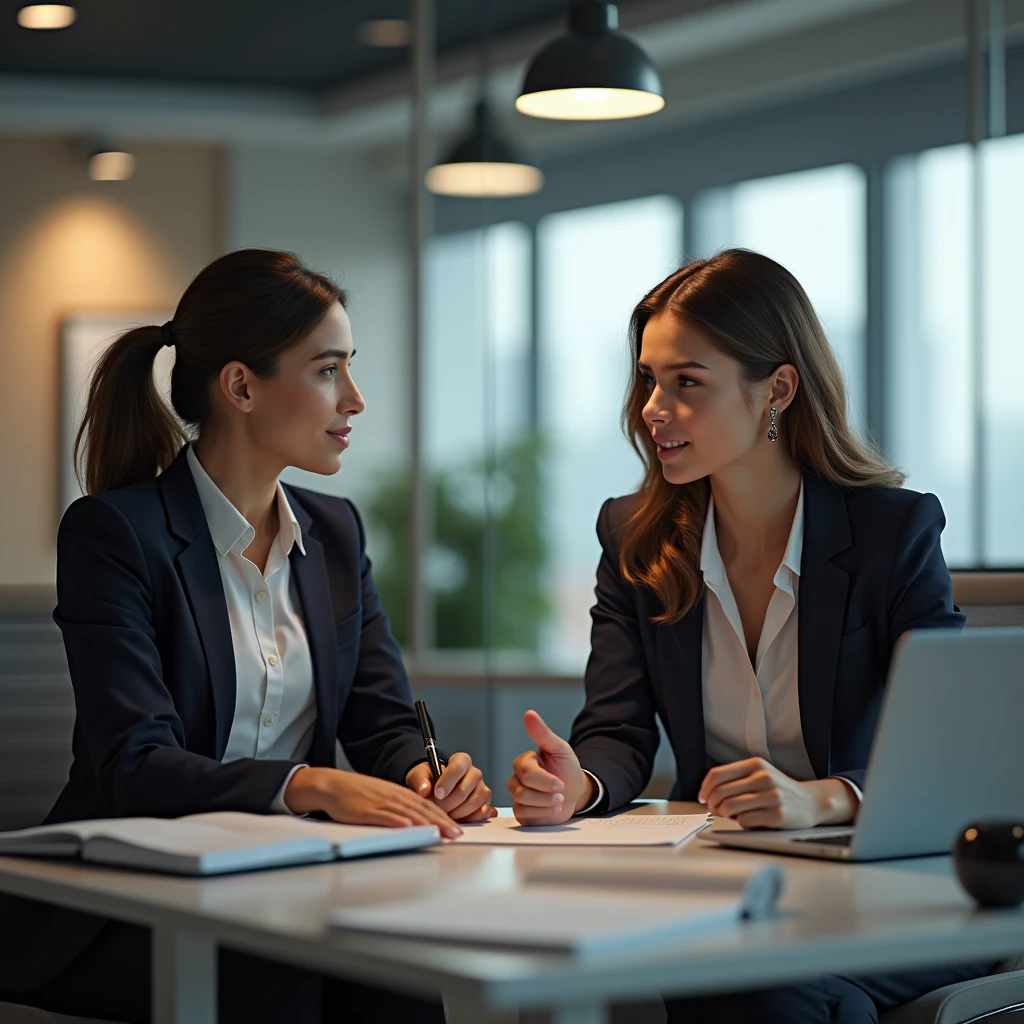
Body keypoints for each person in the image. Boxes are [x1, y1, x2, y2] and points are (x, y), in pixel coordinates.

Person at [0, 248, 494, 1024]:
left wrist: (426, 776)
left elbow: (383, 721)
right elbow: (135, 763)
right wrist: (307, 785)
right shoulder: (115, 535)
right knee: (283, 972)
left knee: (402, 975)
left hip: (293, 882)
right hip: (129, 900)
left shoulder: (334, 531)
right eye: (329, 370)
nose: (356, 399)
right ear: (241, 387)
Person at [506, 249, 993, 1023]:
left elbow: (946, 756)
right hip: (726, 884)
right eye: (648, 381)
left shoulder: (890, 532)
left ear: (779, 388)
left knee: (772, 990)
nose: (651, 409)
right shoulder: (633, 536)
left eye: (686, 383)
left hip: (893, 888)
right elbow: (617, 731)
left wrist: (824, 800)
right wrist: (579, 784)